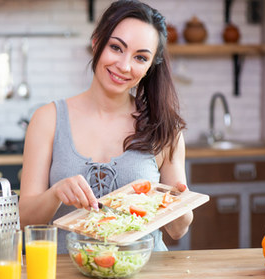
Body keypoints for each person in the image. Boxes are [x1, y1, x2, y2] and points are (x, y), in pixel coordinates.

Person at [19, 0, 192, 253]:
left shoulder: (165, 127)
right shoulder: (48, 119)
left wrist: (180, 204)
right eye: (116, 48)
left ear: (150, 67)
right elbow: (24, 221)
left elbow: (178, 231)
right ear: (96, 42)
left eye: (140, 57)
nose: (124, 66)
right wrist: (56, 193)